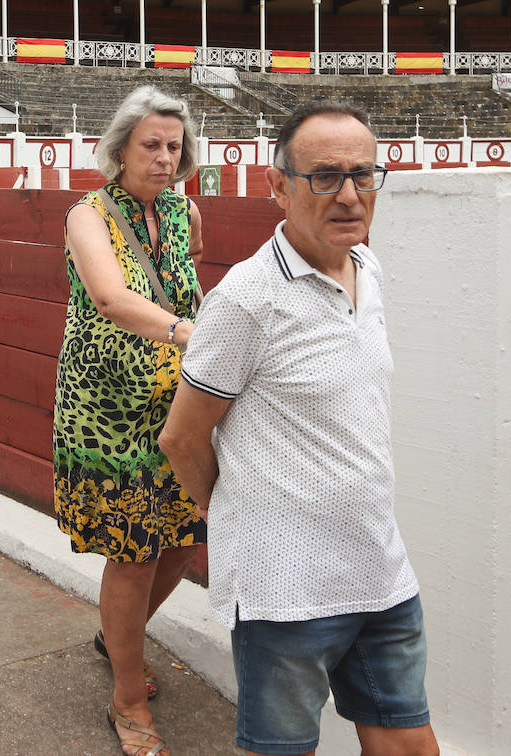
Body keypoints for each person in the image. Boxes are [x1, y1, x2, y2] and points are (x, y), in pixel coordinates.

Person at [158, 102, 439, 756]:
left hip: (380, 571)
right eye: (324, 177)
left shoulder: (368, 269)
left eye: (363, 175)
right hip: (284, 592)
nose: (348, 195)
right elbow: (181, 437)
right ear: (277, 185)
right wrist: (230, 509)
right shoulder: (246, 299)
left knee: (409, 745)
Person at [53, 85, 205, 756]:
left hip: (172, 405)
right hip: (107, 412)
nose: (165, 158)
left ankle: (119, 639)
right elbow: (111, 298)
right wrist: (188, 335)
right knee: (135, 550)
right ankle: (126, 697)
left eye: (175, 147)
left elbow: (187, 279)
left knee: (181, 536)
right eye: (152, 145)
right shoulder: (88, 215)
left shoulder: (183, 214)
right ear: (118, 150)